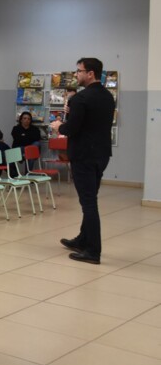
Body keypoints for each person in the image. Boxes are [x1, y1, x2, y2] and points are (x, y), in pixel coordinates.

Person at [50, 57, 115, 265]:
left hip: (84, 156)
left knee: (88, 203)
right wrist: (74, 116)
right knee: (90, 198)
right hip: (101, 155)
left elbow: (71, 129)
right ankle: (83, 239)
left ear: (91, 73)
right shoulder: (107, 97)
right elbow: (92, 123)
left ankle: (93, 251)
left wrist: (59, 125)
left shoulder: (80, 98)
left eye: (79, 71)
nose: (76, 74)